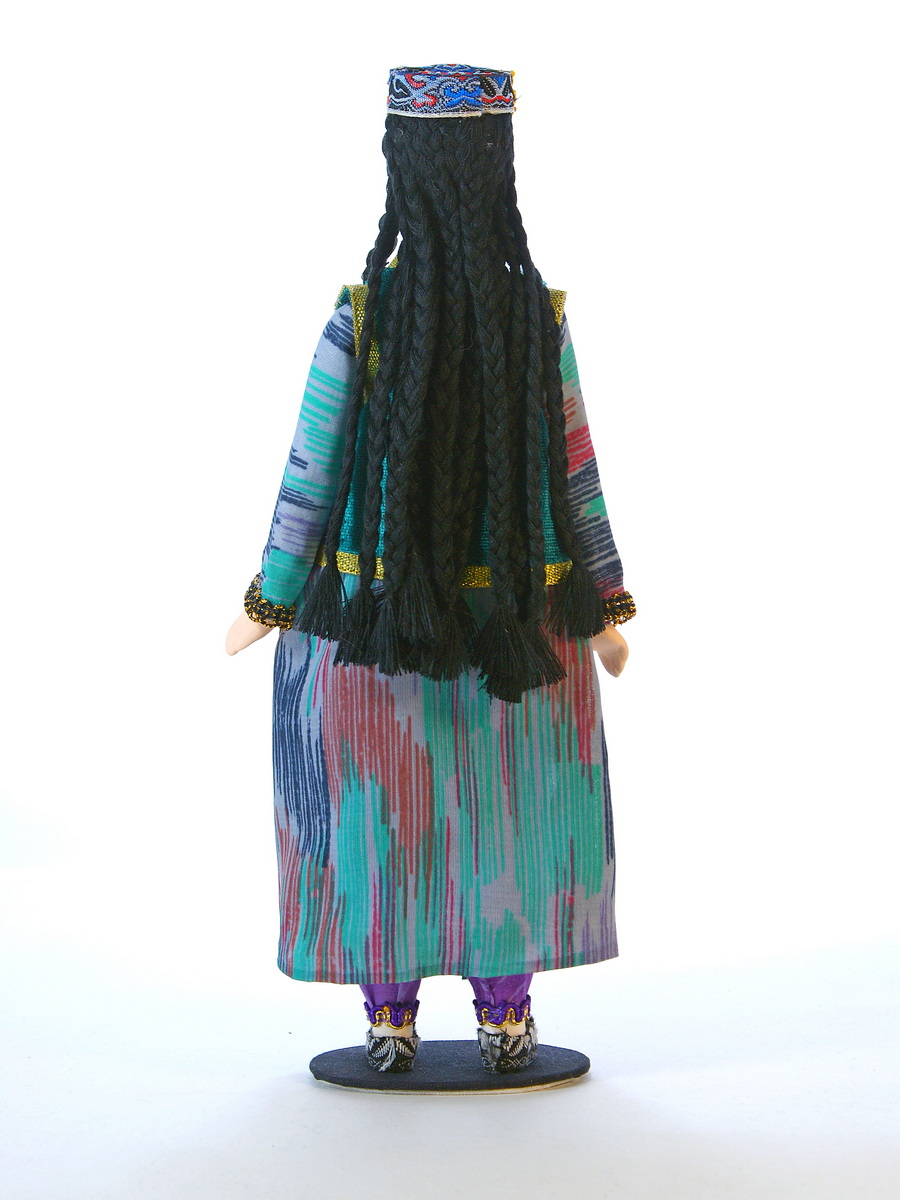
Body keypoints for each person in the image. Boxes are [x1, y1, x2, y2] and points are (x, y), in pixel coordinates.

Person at [226, 64, 636, 1075]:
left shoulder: (385, 319)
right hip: (509, 635)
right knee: (504, 833)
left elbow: (310, 467)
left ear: (397, 173)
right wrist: (603, 605)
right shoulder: (522, 322)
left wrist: (272, 596)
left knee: (390, 835)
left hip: (381, 628)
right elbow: (577, 474)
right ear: (503, 175)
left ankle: (409, 1017)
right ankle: (489, 1016)